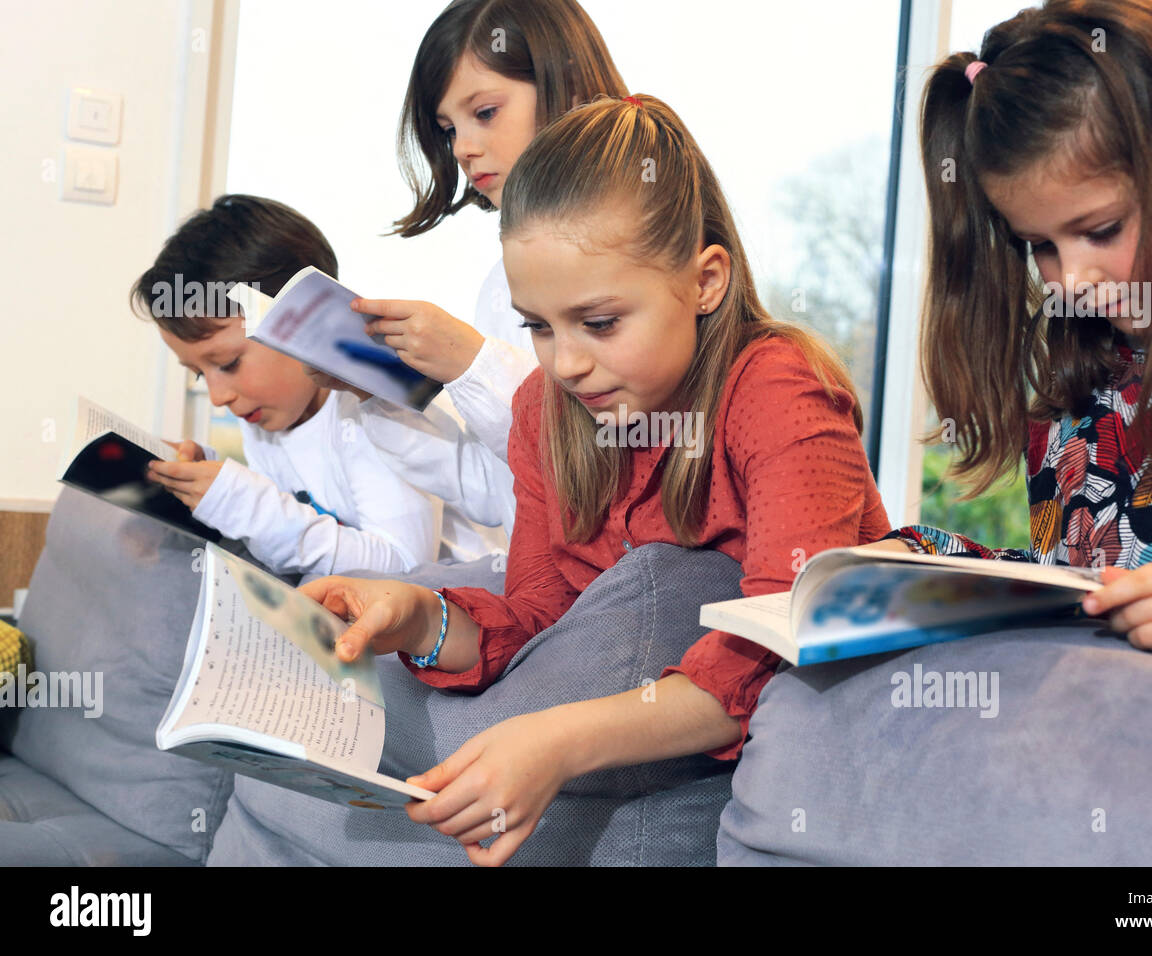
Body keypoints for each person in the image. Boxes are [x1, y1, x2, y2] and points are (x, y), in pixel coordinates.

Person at [302, 94, 893, 865]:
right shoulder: (545, 413)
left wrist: (556, 740)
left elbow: (780, 644)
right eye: (538, 326)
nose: (566, 362)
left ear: (706, 281)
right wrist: (419, 619)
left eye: (601, 322)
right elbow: (538, 620)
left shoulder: (777, 391)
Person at [871, 0, 1152, 652]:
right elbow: (1080, 592)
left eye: (1100, 230)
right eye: (1040, 245)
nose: (1069, 280)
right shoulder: (1081, 386)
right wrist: (928, 563)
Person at [316, 0, 630, 516]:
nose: (462, 147)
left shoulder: (638, 256)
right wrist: (378, 395)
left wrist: (472, 364)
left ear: (567, 88)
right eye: (448, 129)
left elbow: (617, 470)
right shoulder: (498, 285)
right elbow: (499, 493)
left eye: (484, 112)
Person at [132, 195, 498, 576]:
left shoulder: (377, 409)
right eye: (198, 373)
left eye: (228, 364)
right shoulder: (267, 417)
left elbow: (404, 569)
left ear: (307, 320)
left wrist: (243, 502)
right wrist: (212, 480)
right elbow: (298, 519)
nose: (219, 396)